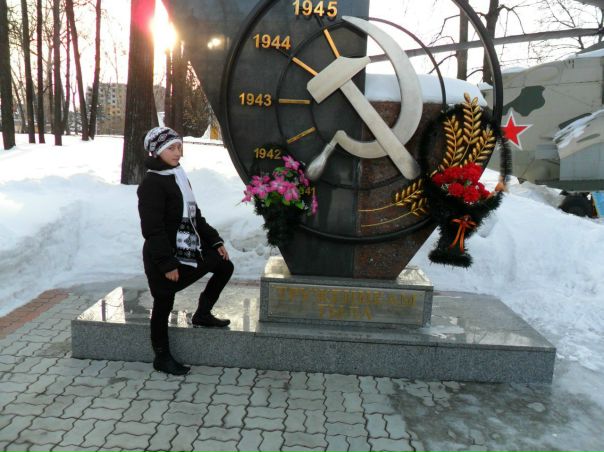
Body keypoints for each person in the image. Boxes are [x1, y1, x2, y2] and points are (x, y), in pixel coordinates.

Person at [137, 126, 234, 376]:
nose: (177, 152)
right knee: (163, 302)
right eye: (171, 148)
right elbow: (152, 229)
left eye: (179, 147)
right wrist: (167, 264)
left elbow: (194, 215)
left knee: (224, 265)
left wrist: (214, 241)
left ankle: (202, 313)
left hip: (187, 249)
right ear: (157, 150)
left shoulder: (178, 176)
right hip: (163, 257)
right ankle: (161, 356)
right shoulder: (152, 184)